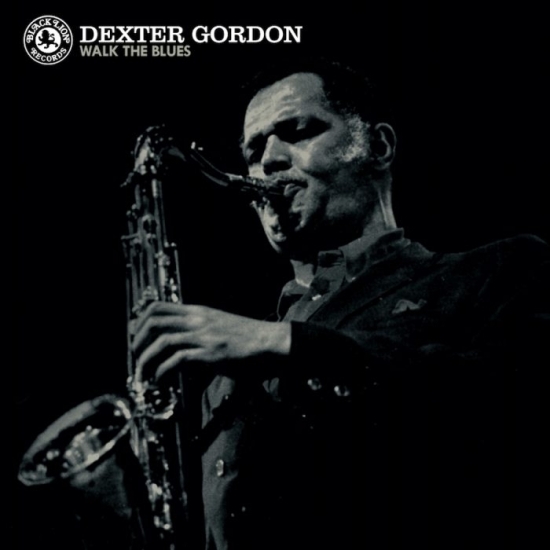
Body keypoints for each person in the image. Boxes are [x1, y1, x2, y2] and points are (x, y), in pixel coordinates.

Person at [131, 59, 547, 549]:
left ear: (378, 146)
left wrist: (287, 345)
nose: (269, 161)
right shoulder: (222, 383)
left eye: (297, 132)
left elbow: (495, 406)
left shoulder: (496, 271)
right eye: (253, 151)